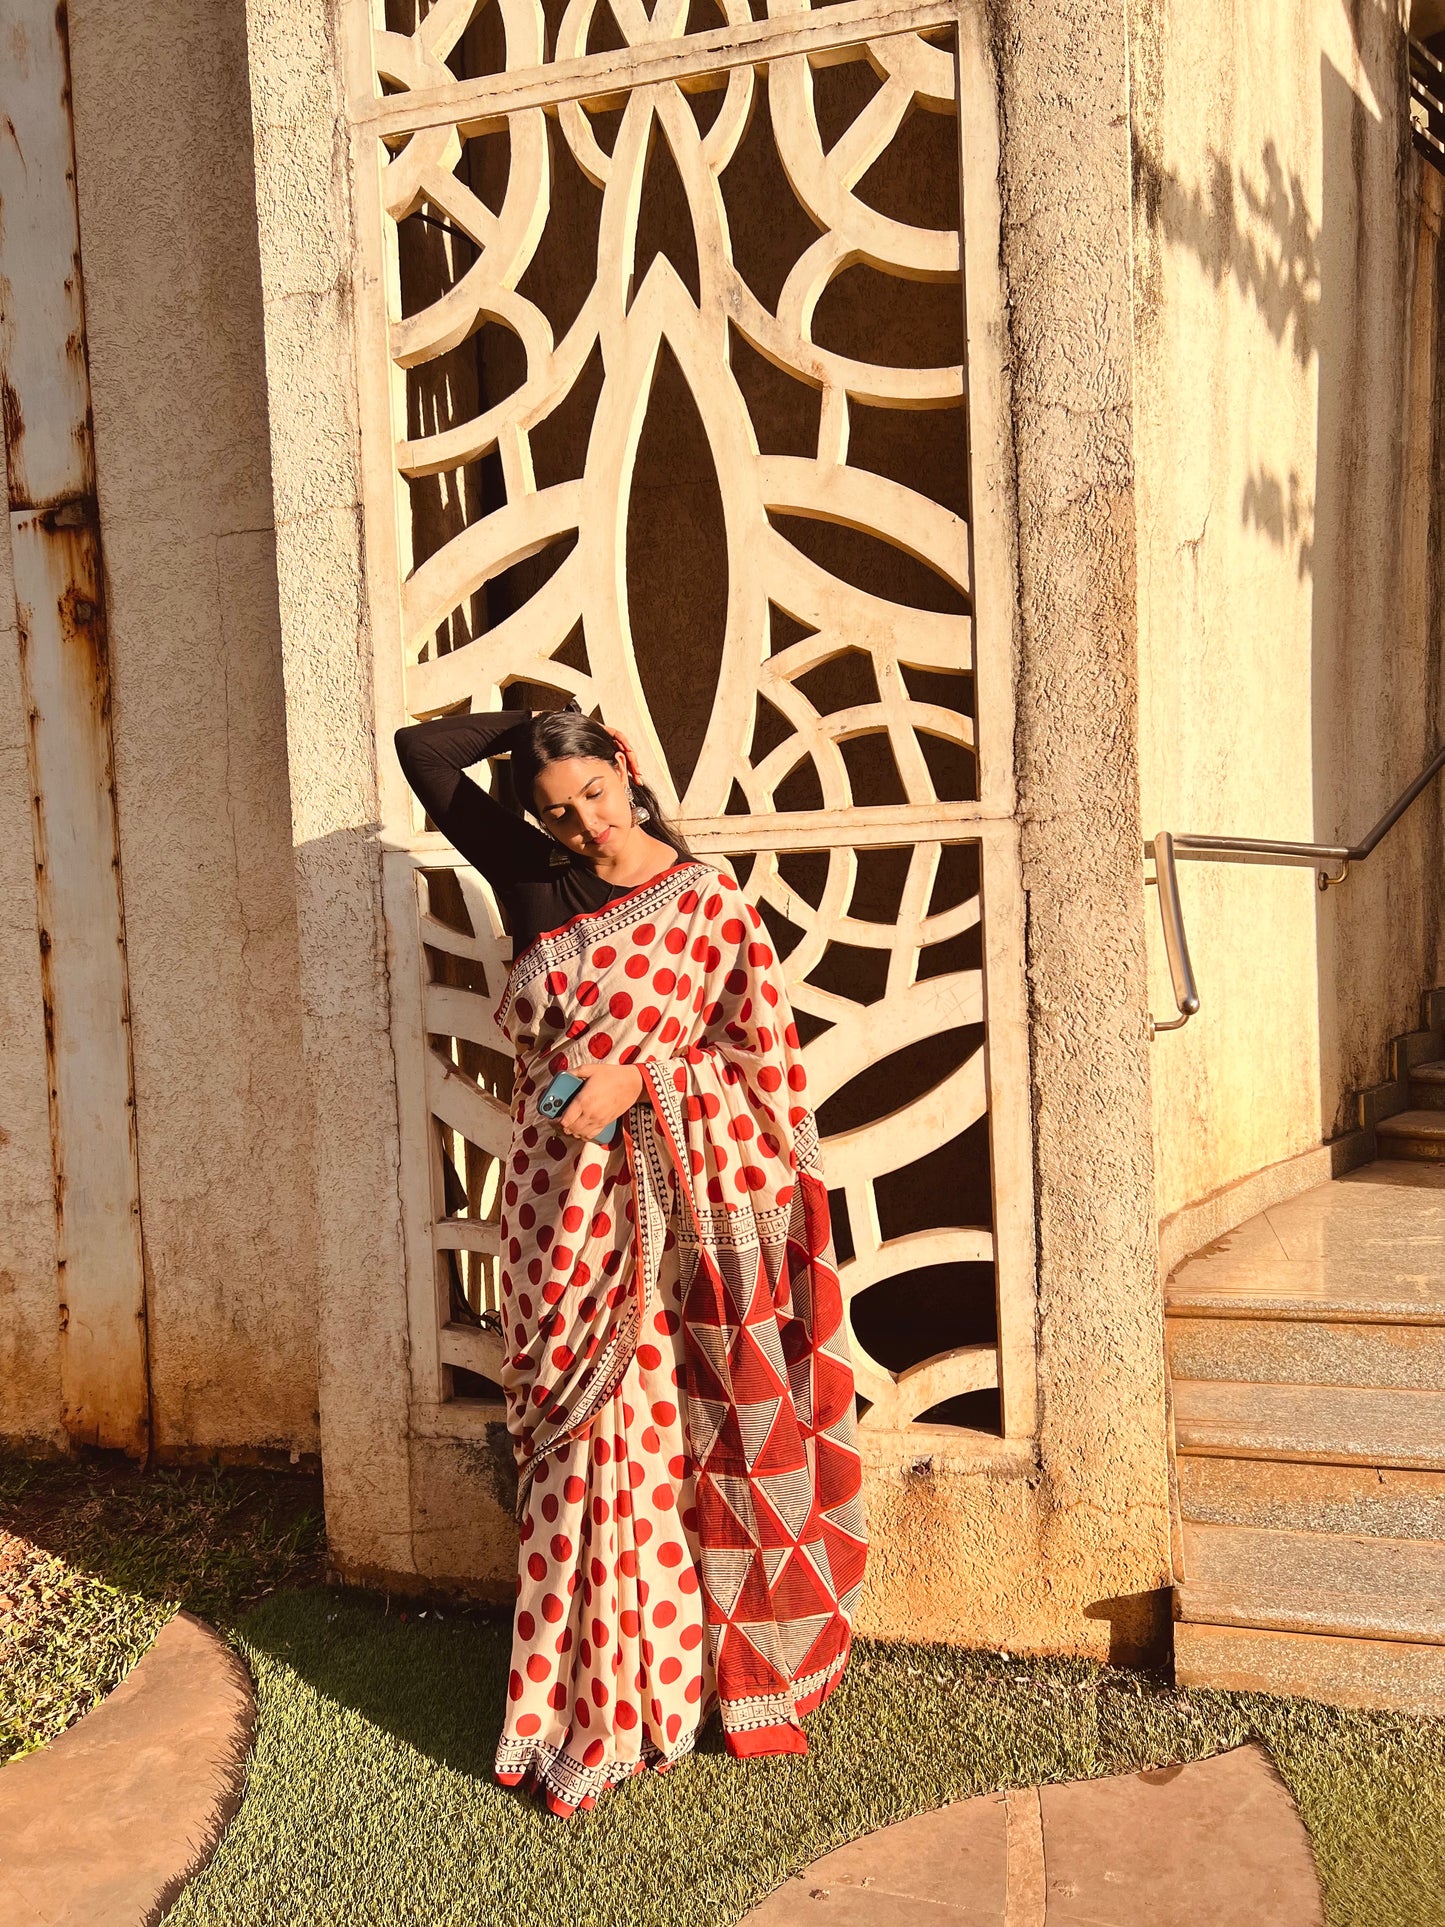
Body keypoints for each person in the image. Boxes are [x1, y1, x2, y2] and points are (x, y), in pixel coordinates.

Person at [394, 704, 867, 1816]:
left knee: (664, 1437)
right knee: (575, 1451)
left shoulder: (706, 903)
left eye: (595, 793)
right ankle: (568, 1700)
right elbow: (423, 755)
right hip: (558, 1211)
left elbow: (755, 1065)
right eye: (556, 811)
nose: (581, 824)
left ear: (628, 766)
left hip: (681, 1207)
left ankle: (647, 1698)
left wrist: (643, 1084)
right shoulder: (531, 879)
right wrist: (523, 725)